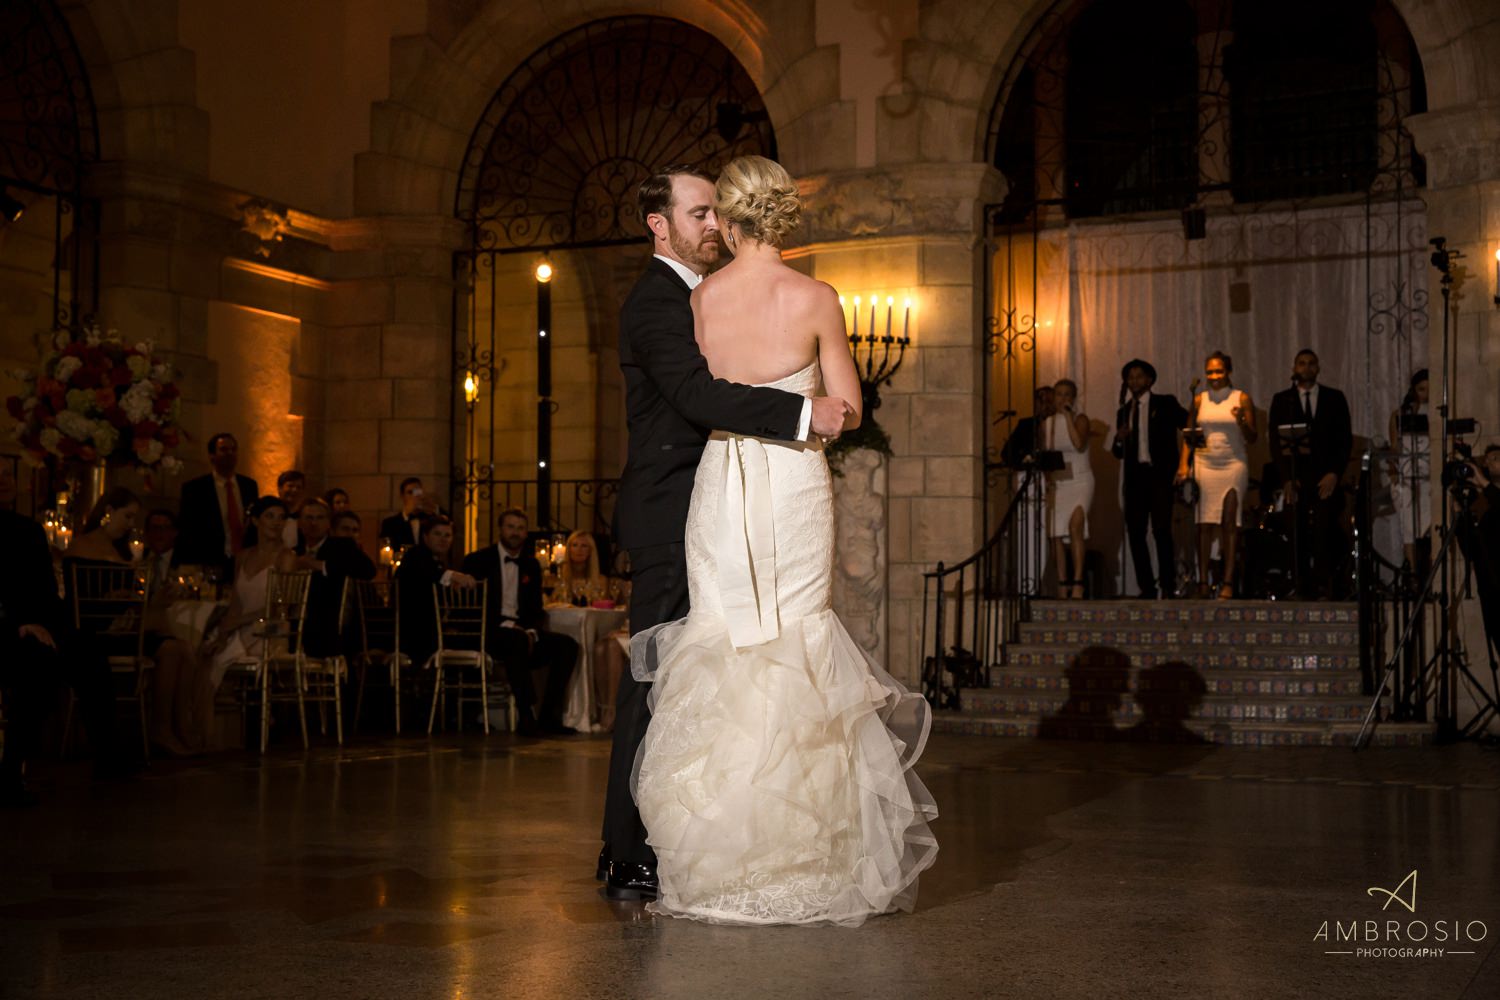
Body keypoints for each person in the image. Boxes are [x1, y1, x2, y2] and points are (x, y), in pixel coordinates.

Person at [630, 155, 937, 926]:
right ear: (783, 216)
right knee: (795, 639)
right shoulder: (816, 298)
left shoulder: (702, 300)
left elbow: (702, 396)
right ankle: (807, 859)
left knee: (724, 638)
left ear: (729, 219)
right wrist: (809, 400)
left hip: (721, 480)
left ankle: (715, 859)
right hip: (794, 479)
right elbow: (848, 411)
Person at [601, 163, 852, 902]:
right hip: (667, 510)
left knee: (713, 670)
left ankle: (698, 833)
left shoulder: (703, 296)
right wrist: (803, 411)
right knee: (657, 677)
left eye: (718, 211)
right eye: (698, 213)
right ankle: (628, 850)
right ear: (660, 225)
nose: (713, 224)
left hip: (714, 504)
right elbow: (695, 394)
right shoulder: (658, 301)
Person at [67, 487, 205, 757]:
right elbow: (81, 599)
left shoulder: (123, 550)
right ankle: (161, 729)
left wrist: (151, 600)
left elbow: (133, 599)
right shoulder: (84, 546)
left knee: (184, 649)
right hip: (97, 632)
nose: (131, 524)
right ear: (109, 512)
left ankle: (180, 726)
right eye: (128, 516)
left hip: (125, 626)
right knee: (171, 649)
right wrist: (118, 599)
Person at [461, 507, 579, 737]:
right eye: (510, 527)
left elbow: (535, 608)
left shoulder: (531, 565)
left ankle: (548, 716)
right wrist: (512, 628)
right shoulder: (477, 561)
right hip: (488, 633)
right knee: (515, 639)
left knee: (567, 646)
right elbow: (472, 607)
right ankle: (526, 714)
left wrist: (532, 632)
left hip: (522, 632)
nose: (515, 532)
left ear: (526, 533)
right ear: (500, 529)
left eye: (520, 528)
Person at [0, 461, 63, 805]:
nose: (3, 481)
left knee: (72, 653)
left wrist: (42, 624)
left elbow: (45, 589)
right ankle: (10, 772)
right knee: (34, 662)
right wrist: (17, 624)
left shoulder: (29, 530)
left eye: (8, 474)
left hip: (28, 628)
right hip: (8, 627)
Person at [1269, 349, 1353, 599]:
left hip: (1326, 478)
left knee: (1325, 528)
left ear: (1318, 368)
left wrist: (1334, 473)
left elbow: (1344, 440)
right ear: (1294, 368)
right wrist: (1287, 478)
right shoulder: (1283, 400)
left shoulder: (1334, 398)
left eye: (1311, 363)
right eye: (1301, 363)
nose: (1306, 368)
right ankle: (1299, 582)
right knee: (1295, 528)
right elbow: (1275, 443)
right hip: (1297, 478)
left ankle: (1324, 584)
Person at [1177, 352, 1256, 599]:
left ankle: (1227, 582)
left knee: (1230, 521)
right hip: (1204, 463)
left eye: (1219, 371)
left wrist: (1241, 421)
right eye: (1210, 372)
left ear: (1228, 372)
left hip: (1233, 463)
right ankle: (1203, 583)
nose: (1214, 376)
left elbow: (1252, 436)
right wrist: (1183, 465)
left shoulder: (1241, 398)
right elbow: (1189, 434)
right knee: (1204, 524)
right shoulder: (1199, 400)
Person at [204, 497, 298, 691]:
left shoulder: (286, 557)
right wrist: (223, 635)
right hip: (241, 629)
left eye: (281, 517)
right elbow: (236, 604)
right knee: (205, 653)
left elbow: (281, 607)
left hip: (269, 631)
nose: (276, 522)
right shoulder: (243, 556)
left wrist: (239, 621)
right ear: (256, 521)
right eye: (270, 516)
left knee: (217, 660)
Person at [1112, 360, 1187, 598]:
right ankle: (1146, 588)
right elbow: (1117, 452)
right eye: (1130, 377)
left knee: (1161, 530)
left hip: (1160, 476)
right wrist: (1119, 438)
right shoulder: (1124, 411)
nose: (1134, 381)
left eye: (1139, 376)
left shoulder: (1165, 403)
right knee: (1136, 533)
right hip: (1136, 479)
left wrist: (1184, 465)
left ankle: (1167, 585)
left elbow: (1188, 424)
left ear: (1149, 380)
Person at [292, 498, 376, 658]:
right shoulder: (294, 551)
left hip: (329, 624)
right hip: (295, 623)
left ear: (328, 523)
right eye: (309, 518)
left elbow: (368, 570)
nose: (314, 523)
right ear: (299, 523)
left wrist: (321, 566)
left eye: (320, 518)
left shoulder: (342, 546)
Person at [393, 514, 477, 669]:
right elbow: (426, 574)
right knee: (473, 639)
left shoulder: (435, 562)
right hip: (414, 634)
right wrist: (454, 576)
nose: (443, 539)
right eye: (437, 534)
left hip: (431, 631)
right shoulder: (416, 556)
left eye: (447, 535)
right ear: (425, 537)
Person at [176, 432, 258, 577]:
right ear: (212, 455)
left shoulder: (249, 486)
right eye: (224, 449)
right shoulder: (195, 489)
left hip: (243, 560)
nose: (230, 453)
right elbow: (188, 528)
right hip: (209, 561)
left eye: (233, 449)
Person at [999, 385, 1056, 595]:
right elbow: (1007, 453)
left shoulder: (1060, 423)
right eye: (1041, 400)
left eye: (1049, 400)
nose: (1045, 405)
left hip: (1057, 483)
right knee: (1029, 532)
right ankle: (1028, 585)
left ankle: (1048, 584)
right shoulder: (1026, 425)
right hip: (1031, 481)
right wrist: (1024, 459)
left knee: (1051, 533)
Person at [1044, 378, 1093, 599]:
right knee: (1056, 534)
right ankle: (1062, 583)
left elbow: (1078, 444)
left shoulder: (1080, 419)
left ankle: (1078, 582)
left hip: (1081, 481)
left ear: (1073, 398)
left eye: (1066, 394)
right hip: (1060, 483)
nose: (1062, 398)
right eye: (1058, 394)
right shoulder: (1046, 424)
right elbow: (1046, 456)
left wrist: (1067, 417)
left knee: (1075, 527)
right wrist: (1048, 480)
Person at [1387, 369, 1431, 574]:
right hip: (1406, 476)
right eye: (1421, 389)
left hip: (1430, 477)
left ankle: (1431, 572)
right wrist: (1393, 470)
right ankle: (1411, 574)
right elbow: (1394, 448)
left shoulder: (1438, 413)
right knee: (1408, 527)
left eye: (1429, 389)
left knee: (1430, 524)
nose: (1426, 394)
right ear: (1414, 390)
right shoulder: (1399, 414)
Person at [379, 477, 438, 549]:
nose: (414, 496)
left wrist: (433, 508)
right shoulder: (390, 523)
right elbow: (387, 547)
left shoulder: (431, 520)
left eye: (417, 492)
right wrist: (407, 514)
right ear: (402, 496)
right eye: (410, 492)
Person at [558, 529, 608, 605]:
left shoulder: (601, 581)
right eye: (575, 545)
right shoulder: (559, 579)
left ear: (590, 551)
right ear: (569, 549)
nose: (579, 549)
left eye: (584, 546)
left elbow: (604, 607)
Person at [277, 470, 307, 548]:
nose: (294, 490)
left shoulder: (305, 516)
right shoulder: (269, 515)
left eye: (298, 487)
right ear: (280, 488)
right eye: (290, 486)